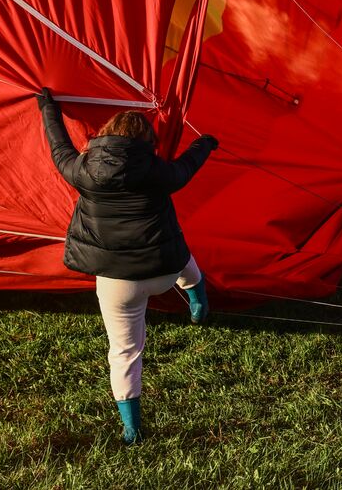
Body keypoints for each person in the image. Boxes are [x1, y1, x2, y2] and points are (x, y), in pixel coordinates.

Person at [36, 88, 219, 445]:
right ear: (147, 141)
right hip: (166, 268)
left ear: (104, 135)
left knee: (125, 351)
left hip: (118, 282)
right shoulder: (159, 173)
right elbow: (188, 166)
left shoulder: (82, 172)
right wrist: (206, 144)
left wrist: (48, 108)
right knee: (184, 259)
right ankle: (198, 302)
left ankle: (132, 428)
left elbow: (58, 145)